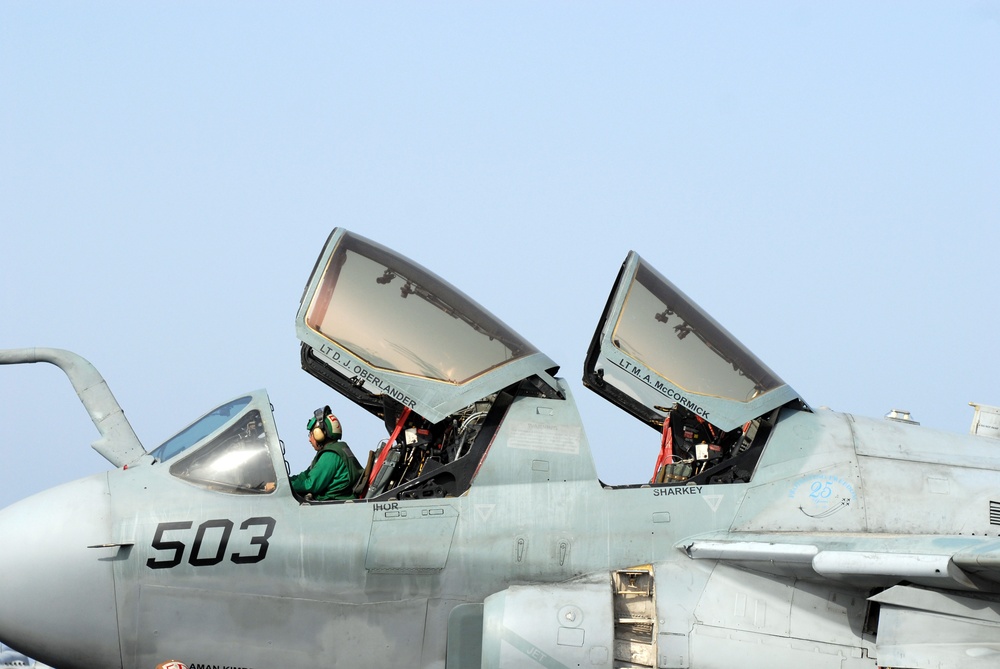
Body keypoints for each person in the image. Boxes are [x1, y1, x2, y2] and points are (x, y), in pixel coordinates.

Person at [289, 406, 363, 501]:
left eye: (311, 434)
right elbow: (307, 475)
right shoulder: (337, 449)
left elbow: (311, 485)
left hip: (334, 504)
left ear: (319, 434)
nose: (309, 439)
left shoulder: (330, 455)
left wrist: (285, 487)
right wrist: (284, 482)